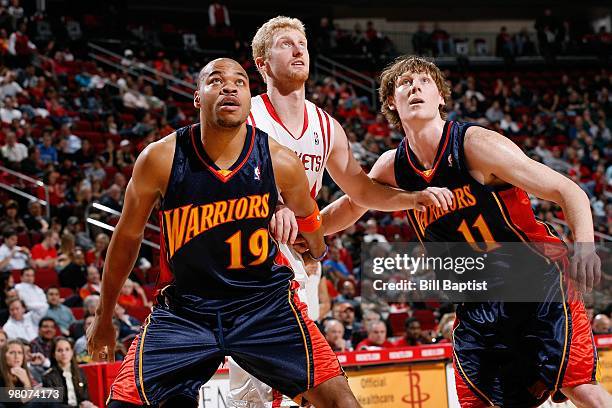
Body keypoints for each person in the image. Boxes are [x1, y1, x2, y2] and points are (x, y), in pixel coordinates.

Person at [321, 55, 610, 407]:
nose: (414, 87)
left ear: (441, 96)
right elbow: (347, 208)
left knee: (580, 388)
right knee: (478, 402)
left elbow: (569, 191)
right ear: (391, 104)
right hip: (476, 303)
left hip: (538, 286)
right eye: (404, 84)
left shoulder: (475, 145)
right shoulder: (392, 167)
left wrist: (584, 247)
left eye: (424, 81)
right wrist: (303, 228)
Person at [87, 58, 360, 408]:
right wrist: (104, 315)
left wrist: (315, 251)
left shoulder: (280, 161)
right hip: (185, 311)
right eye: (216, 81)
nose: (229, 87)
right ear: (198, 97)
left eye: (240, 82)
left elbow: (311, 220)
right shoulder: (160, 159)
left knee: (343, 403)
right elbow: (126, 239)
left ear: (249, 99)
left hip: (265, 306)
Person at [230, 16, 450, 407]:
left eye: (303, 42)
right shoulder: (245, 117)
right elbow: (219, 187)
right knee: (263, 392)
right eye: (285, 43)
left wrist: (410, 199)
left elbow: (361, 191)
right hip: (251, 264)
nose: (299, 49)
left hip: (298, 262)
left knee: (296, 387)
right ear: (262, 63)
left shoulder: (326, 126)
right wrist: (269, 206)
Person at [43, 337, 97, 407]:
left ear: (72, 352)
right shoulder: (48, 377)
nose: (64, 353)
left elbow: (85, 397)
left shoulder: (80, 372)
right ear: (54, 354)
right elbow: (54, 405)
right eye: (59, 350)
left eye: (67, 349)